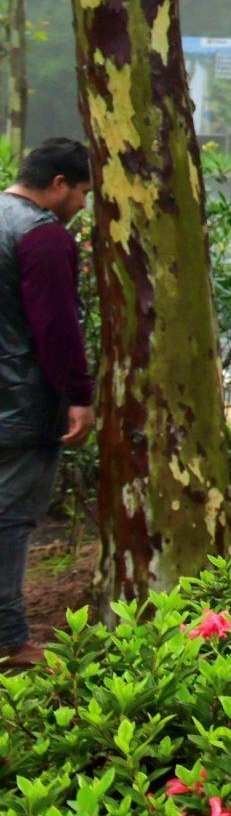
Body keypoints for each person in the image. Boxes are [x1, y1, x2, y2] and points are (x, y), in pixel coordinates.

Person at [0, 137, 94, 671]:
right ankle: (11, 641)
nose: (82, 204)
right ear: (57, 184)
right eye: (81, 191)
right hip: (20, 404)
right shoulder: (42, 238)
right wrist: (79, 397)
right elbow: (57, 330)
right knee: (11, 520)